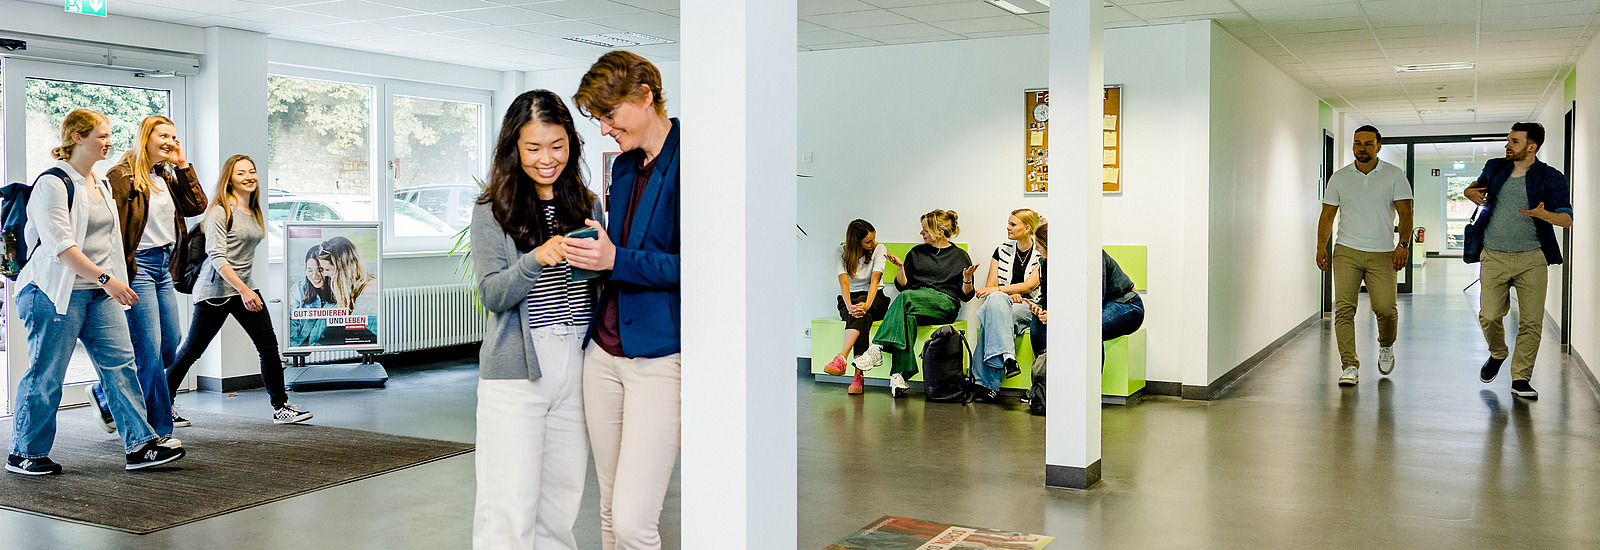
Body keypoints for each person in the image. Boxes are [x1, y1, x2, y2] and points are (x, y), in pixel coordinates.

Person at [8, 108, 185, 475]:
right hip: (54, 292)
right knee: (47, 374)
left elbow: (111, 244)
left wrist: (116, 281)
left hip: (98, 292)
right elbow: (61, 246)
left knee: (121, 367)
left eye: (109, 135)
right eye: (101, 136)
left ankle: (140, 443)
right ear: (76, 137)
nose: (109, 142)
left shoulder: (100, 183)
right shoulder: (54, 183)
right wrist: (109, 280)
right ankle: (25, 451)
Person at [470, 89, 604, 550]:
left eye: (557, 146)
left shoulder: (586, 204)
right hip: (517, 371)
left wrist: (606, 260)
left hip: (577, 365)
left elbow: (599, 292)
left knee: (561, 506)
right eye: (533, 148)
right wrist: (534, 260)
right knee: (507, 505)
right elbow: (492, 294)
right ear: (513, 148)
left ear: (571, 144)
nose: (547, 159)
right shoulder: (491, 210)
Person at [566, 50, 681, 550]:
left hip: (658, 356)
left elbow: (704, 268)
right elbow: (627, 250)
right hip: (603, 352)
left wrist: (615, 259)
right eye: (598, 119)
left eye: (611, 115)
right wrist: (598, 249)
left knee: (635, 523)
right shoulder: (627, 168)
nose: (606, 129)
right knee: (610, 513)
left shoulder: (694, 161)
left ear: (646, 96)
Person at [164, 155, 312, 424]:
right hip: (216, 292)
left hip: (244, 287)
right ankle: (162, 405)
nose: (249, 177)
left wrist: (246, 289)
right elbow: (217, 257)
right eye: (241, 172)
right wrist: (245, 291)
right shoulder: (221, 210)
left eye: (252, 171)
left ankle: (281, 407)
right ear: (229, 178)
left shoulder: (253, 210)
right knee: (191, 351)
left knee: (268, 347)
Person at [88, 114, 208, 434]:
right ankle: (159, 430)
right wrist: (108, 275)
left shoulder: (165, 176)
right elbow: (108, 226)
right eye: (162, 136)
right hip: (137, 266)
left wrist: (183, 164)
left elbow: (197, 205)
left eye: (173, 136)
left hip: (164, 267)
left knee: (170, 344)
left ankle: (104, 393)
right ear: (146, 138)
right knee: (150, 353)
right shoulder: (122, 175)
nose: (169, 142)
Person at [1463, 122, 1573, 399]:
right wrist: (1469, 192)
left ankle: (1521, 378)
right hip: (1493, 256)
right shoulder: (1496, 167)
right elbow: (1475, 187)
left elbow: (1567, 219)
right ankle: (1498, 353)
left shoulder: (1550, 177)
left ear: (1531, 146)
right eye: (1508, 140)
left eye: (1514, 141)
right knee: (1488, 315)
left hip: (1532, 258)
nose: (1507, 145)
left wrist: (1543, 214)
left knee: (1531, 322)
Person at [1316, 124, 1413, 387]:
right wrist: (1321, 246)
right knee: (1344, 309)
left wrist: (1403, 244)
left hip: (1383, 252)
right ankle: (1349, 365)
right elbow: (1327, 215)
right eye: (1358, 143)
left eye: (1368, 143)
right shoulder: (1340, 177)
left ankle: (1386, 345)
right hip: (1347, 250)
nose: (1362, 148)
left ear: (1379, 146)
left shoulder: (1394, 175)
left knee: (1385, 309)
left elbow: (1406, 214)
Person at [855, 210, 977, 398]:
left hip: (944, 304)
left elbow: (965, 296)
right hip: (915, 302)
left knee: (906, 301)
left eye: (925, 230)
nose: (922, 233)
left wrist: (967, 279)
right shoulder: (916, 252)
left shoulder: (960, 256)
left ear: (940, 232)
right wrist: (900, 268)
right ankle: (899, 376)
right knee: (907, 317)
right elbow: (905, 288)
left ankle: (877, 347)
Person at [969, 209, 1043, 402]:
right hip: (1005, 303)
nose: (1008, 228)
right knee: (996, 305)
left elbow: (1030, 285)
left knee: (991, 318)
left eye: (1013, 224)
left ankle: (985, 384)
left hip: (1030, 304)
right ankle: (1008, 359)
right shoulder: (1002, 249)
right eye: (1008, 223)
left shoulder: (1040, 251)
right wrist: (1008, 295)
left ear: (1027, 228)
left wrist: (1005, 292)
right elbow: (991, 286)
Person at [820, 219, 889, 395]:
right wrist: (850, 306)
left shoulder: (879, 249)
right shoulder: (841, 251)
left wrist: (866, 304)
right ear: (855, 241)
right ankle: (858, 376)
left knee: (861, 311)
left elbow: (875, 280)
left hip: (875, 298)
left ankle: (841, 358)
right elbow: (843, 281)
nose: (872, 243)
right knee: (860, 315)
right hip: (848, 299)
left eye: (873, 239)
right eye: (868, 241)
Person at [287, 244, 333, 348]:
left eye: (320, 270)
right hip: (300, 349)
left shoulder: (339, 291)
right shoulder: (298, 290)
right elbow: (292, 330)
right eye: (310, 270)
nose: (314, 275)